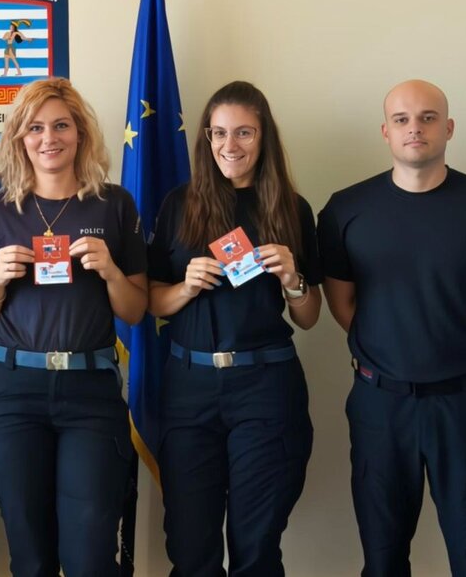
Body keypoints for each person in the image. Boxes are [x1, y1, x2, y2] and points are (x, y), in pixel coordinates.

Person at [317, 79, 466, 576]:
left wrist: (462, 354)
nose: (414, 128)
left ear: (449, 127)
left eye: (428, 118)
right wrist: (392, 356)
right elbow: (343, 303)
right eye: (402, 119)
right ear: (386, 131)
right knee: (383, 559)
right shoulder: (345, 210)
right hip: (380, 405)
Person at [0, 77, 147, 576]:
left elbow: (135, 310)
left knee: (89, 557)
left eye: (61, 125)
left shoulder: (114, 204)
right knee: (32, 557)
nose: (49, 138)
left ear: (80, 133)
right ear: (19, 138)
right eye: (35, 128)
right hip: (13, 393)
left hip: (90, 393)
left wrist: (111, 271)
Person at [147, 80, 321, 576]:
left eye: (244, 132)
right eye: (219, 132)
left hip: (266, 386)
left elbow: (309, 316)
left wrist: (292, 279)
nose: (230, 145)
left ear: (264, 137)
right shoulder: (179, 204)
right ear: (206, 137)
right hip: (189, 388)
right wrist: (185, 287)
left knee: (256, 544)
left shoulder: (292, 208)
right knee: (190, 547)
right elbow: (151, 302)